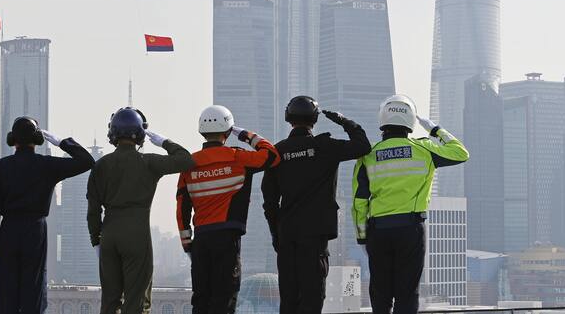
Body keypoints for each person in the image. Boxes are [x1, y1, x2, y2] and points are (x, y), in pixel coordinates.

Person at [352, 95, 469, 314]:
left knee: (380, 291)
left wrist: (362, 237)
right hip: (410, 229)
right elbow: (461, 153)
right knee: (407, 292)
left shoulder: (368, 156)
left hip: (378, 231)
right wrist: (435, 130)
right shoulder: (424, 149)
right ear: (411, 122)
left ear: (382, 120)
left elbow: (360, 202)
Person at [261, 96, 371, 314]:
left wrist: (276, 234)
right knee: (312, 297)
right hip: (314, 236)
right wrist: (343, 121)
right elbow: (363, 146)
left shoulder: (278, 152)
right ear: (314, 119)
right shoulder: (325, 146)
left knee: (289, 299)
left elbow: (269, 202)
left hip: (287, 236)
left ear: (288, 118)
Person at [87, 107, 194, 314]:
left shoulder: (100, 166)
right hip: (137, 233)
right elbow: (186, 160)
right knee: (136, 300)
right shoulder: (148, 162)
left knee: (110, 300)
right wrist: (164, 142)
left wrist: (96, 240)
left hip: (108, 235)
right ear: (141, 133)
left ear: (113, 133)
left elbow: (93, 210)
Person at [0, 116, 95, 314]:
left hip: (8, 230)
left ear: (12, 139)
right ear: (37, 139)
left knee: (7, 290)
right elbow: (86, 161)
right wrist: (63, 143)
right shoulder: (46, 165)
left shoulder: (2, 166)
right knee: (33, 287)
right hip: (35, 230)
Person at [176, 105, 280, 314]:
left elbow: (182, 208)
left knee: (201, 299)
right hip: (227, 238)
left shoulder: (189, 163)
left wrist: (187, 243)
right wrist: (243, 134)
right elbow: (271, 155)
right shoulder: (238, 157)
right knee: (224, 298)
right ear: (227, 131)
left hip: (201, 240)